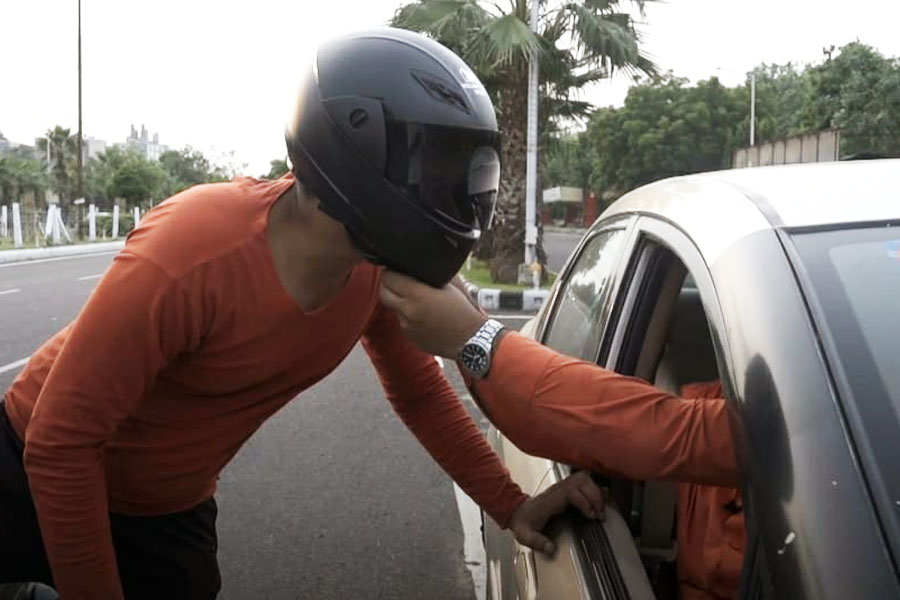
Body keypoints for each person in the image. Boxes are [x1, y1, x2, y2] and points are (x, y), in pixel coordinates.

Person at [0, 29, 605, 600]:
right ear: (356, 153)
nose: (454, 192)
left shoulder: (374, 269)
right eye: (433, 166)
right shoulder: (192, 250)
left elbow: (419, 394)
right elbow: (61, 442)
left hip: (168, 505)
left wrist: (511, 504)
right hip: (31, 467)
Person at [378, 271, 745, 600]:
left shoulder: (772, 433)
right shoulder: (748, 419)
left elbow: (662, 434)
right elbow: (660, 432)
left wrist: (480, 341)